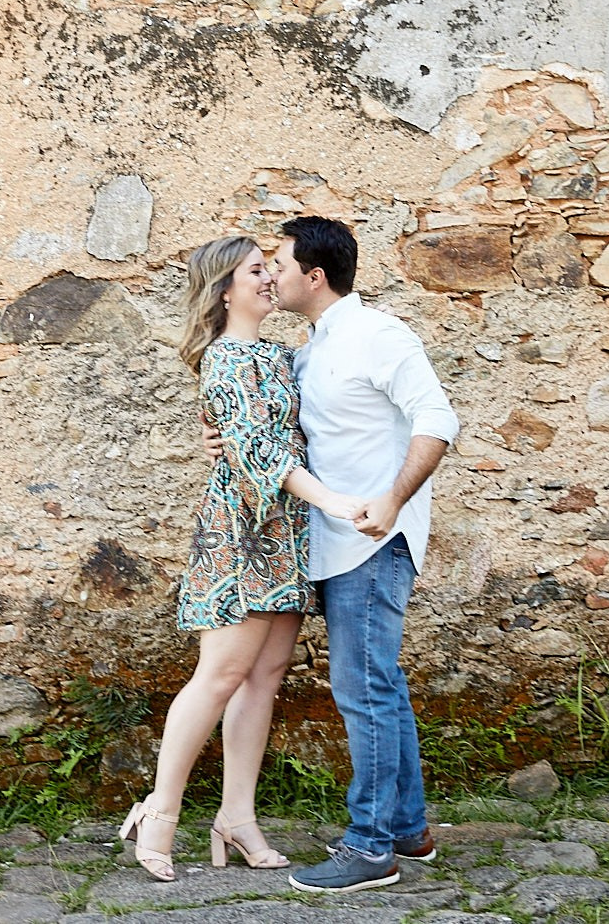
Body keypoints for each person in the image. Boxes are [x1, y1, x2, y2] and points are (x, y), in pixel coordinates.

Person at [204, 216, 457, 893]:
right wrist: (225, 442)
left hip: (372, 543)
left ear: (315, 276)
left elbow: (438, 419)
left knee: (363, 689)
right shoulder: (311, 349)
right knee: (383, 684)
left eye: (279, 262)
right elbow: (271, 429)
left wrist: (393, 498)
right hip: (330, 545)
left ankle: (371, 846)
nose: (271, 273)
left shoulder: (380, 335)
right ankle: (406, 826)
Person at [120, 236, 366, 881]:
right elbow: (261, 453)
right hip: (241, 533)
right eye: (255, 271)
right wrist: (333, 500)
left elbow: (292, 430)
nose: (269, 278)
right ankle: (161, 812)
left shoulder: (279, 356)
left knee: (267, 675)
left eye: (269, 268)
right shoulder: (228, 362)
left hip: (282, 532)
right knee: (221, 675)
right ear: (223, 290)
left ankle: (237, 817)